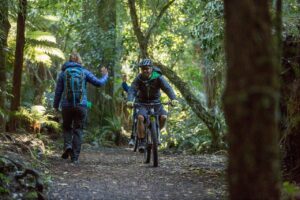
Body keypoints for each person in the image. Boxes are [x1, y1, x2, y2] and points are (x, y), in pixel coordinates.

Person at [53, 52, 109, 163]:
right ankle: (75, 158)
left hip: (67, 105)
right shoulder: (84, 72)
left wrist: (55, 106)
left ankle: (68, 146)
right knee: (78, 130)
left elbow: (58, 91)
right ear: (79, 60)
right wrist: (105, 75)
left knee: (67, 127)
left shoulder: (63, 73)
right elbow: (99, 83)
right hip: (81, 105)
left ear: (69, 61)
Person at [127, 58, 178, 152]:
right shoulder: (139, 78)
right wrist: (130, 100)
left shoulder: (158, 77)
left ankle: (156, 132)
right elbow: (132, 90)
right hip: (142, 103)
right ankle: (142, 141)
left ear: (151, 68)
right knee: (140, 118)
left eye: (147, 68)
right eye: (143, 69)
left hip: (156, 103)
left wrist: (173, 98)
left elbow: (167, 88)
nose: (145, 70)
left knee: (163, 117)